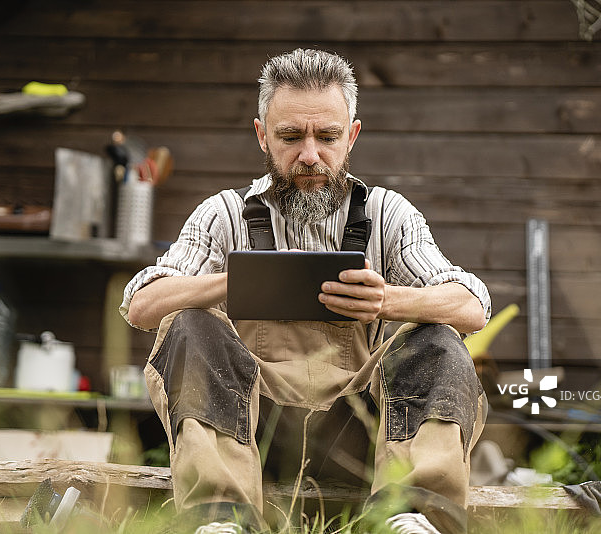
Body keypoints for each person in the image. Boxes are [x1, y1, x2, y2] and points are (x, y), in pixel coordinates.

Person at [121, 48, 491, 534]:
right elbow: (141, 304)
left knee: (438, 339)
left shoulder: (389, 215)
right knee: (188, 322)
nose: (310, 155)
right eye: (291, 136)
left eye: (328, 136)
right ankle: (220, 520)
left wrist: (389, 301)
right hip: (251, 435)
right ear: (262, 135)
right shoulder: (223, 216)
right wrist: (233, 283)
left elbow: (472, 304)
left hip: (359, 436)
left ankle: (413, 518)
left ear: (352, 135)